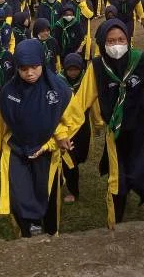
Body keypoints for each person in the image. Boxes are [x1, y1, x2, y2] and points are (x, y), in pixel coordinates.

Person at [54, 19, 144, 228]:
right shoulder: (96, 69)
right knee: (117, 181)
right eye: (111, 41)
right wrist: (63, 131)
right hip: (116, 133)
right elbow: (79, 103)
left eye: (121, 39)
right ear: (102, 44)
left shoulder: (143, 61)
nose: (117, 45)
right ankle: (114, 225)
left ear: (128, 40)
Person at [0, 39, 71, 237]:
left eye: (34, 67)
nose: (29, 73)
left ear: (43, 62)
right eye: (23, 69)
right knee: (19, 195)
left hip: (47, 153)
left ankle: (51, 233)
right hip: (17, 151)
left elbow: (71, 121)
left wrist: (53, 141)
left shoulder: (59, 91)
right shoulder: (9, 93)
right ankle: (27, 233)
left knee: (47, 195)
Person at [58, 53, 91, 203]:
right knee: (69, 160)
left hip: (83, 126)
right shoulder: (58, 82)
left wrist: (97, 122)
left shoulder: (87, 80)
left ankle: (66, 174)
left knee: (80, 155)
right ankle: (73, 191)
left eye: (76, 69)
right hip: (66, 127)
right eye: (69, 69)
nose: (72, 72)